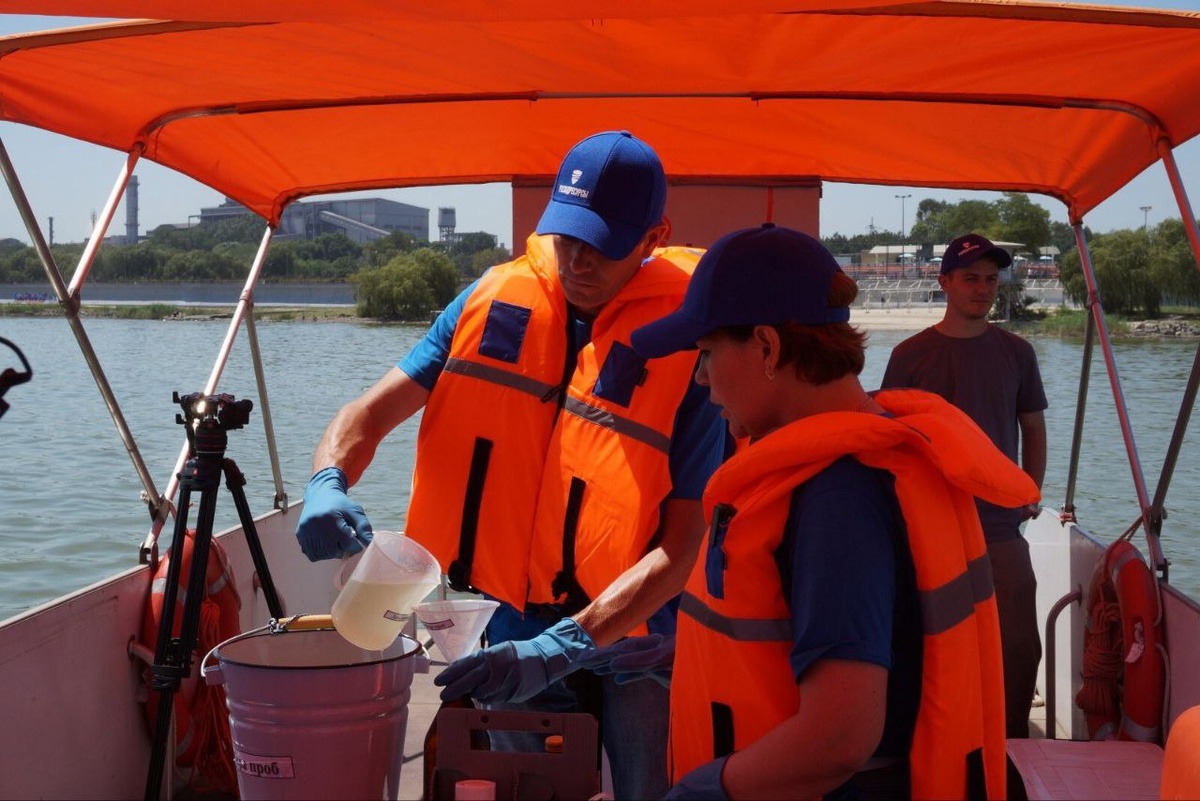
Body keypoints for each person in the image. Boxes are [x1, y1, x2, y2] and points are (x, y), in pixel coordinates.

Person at [294, 130, 725, 800]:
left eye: (602, 243)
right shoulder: (486, 301)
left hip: (639, 637)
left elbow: (685, 541)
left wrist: (567, 645)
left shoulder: (689, 349)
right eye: (566, 234)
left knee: (650, 790)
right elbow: (367, 415)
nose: (577, 259)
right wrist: (328, 480)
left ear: (653, 236)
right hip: (510, 629)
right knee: (530, 790)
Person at [623, 223, 1038, 799]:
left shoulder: (837, 496)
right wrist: (689, 649)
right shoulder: (863, 460)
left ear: (767, 348)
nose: (701, 376)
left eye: (708, 352)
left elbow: (840, 734)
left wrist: (704, 791)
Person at [881, 232, 1048, 739]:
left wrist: (1029, 493)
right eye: (971, 278)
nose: (983, 289)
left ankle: (1011, 744)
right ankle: (930, 743)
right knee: (925, 643)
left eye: (991, 279)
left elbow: (1033, 427)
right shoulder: (909, 355)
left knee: (1018, 645)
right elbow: (889, 441)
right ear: (945, 283)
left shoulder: (1017, 353)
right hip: (928, 524)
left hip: (998, 524)